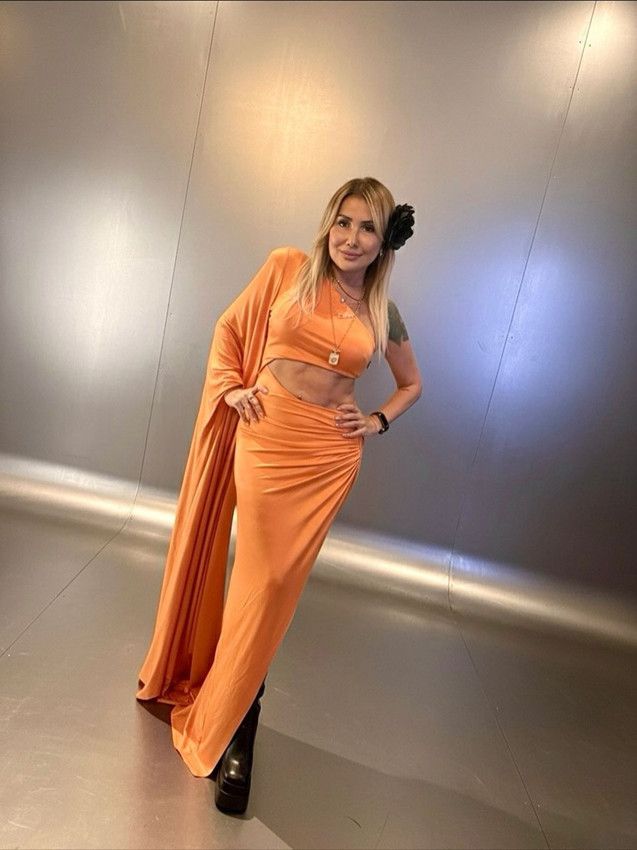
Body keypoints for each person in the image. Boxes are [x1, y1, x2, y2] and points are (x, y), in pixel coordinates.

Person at [135, 177, 422, 814]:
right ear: (328, 223)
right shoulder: (287, 268)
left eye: (367, 228)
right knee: (259, 584)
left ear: (383, 243)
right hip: (268, 436)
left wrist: (375, 421)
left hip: (328, 458)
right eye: (343, 222)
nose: (351, 238)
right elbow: (230, 329)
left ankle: (241, 714)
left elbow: (411, 384)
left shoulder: (384, 313)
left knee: (276, 590)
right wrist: (231, 388)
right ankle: (240, 724)